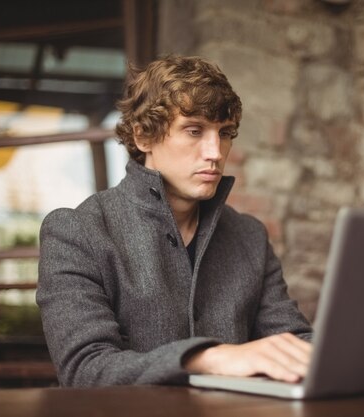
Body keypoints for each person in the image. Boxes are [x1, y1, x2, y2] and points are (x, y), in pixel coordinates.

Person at [36, 55, 313, 387]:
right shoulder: (76, 232)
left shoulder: (248, 235)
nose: (215, 152)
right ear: (143, 137)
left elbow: (294, 344)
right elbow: (85, 369)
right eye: (194, 130)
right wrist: (208, 359)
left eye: (224, 133)